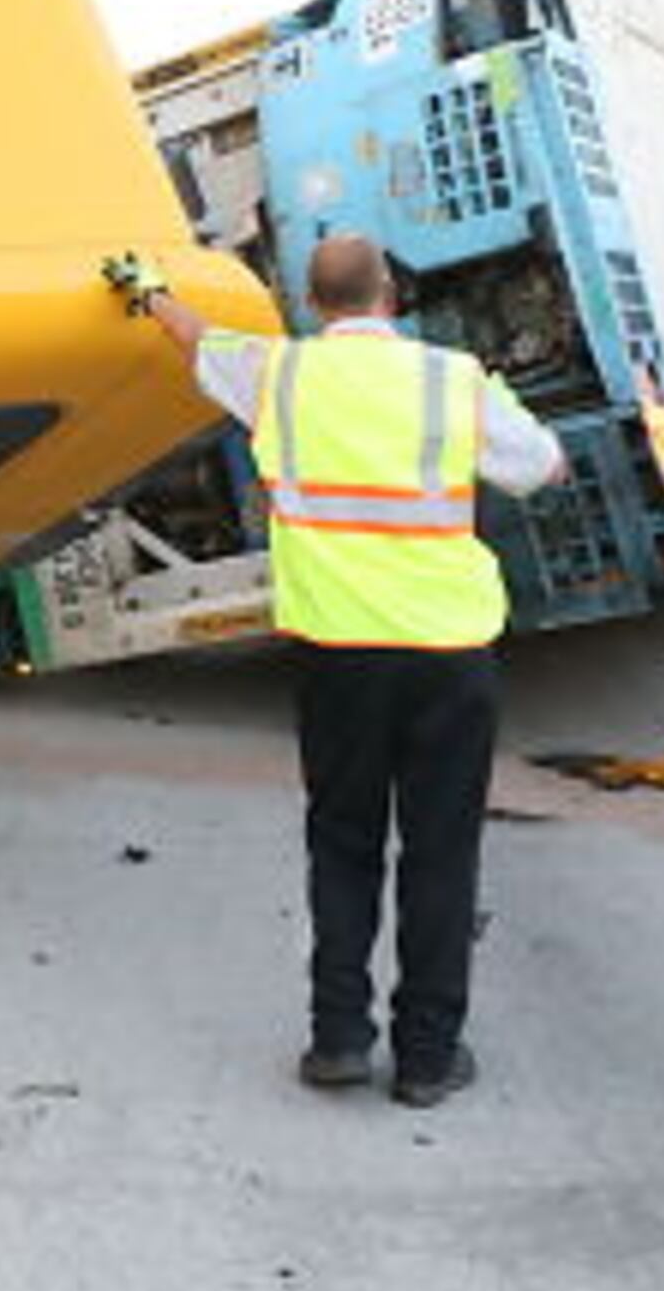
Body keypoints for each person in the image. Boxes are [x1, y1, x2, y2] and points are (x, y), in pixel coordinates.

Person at [105, 234, 566, 1106]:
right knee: (440, 853)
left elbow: (195, 338)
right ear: (388, 292)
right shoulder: (450, 379)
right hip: (447, 654)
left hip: (339, 657)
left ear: (315, 304)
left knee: (343, 846)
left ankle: (339, 1041)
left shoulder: (278, 376)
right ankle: (428, 1058)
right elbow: (544, 467)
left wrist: (145, 289)